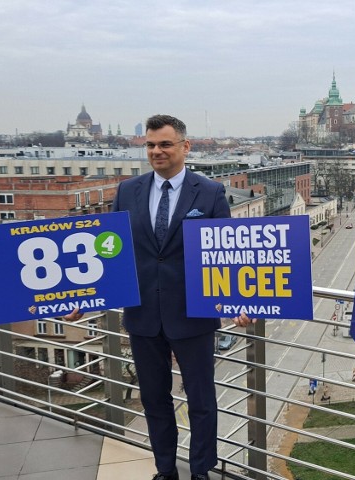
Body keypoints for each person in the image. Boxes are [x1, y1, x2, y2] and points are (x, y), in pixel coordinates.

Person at [112, 114, 243, 480]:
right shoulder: (127, 191)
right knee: (155, 401)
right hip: (142, 317)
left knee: (201, 402)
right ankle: (165, 471)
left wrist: (238, 302)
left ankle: (201, 472)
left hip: (193, 315)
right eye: (151, 145)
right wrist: (82, 298)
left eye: (165, 144)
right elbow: (110, 255)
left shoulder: (210, 192)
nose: (157, 151)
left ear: (185, 147)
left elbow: (227, 254)